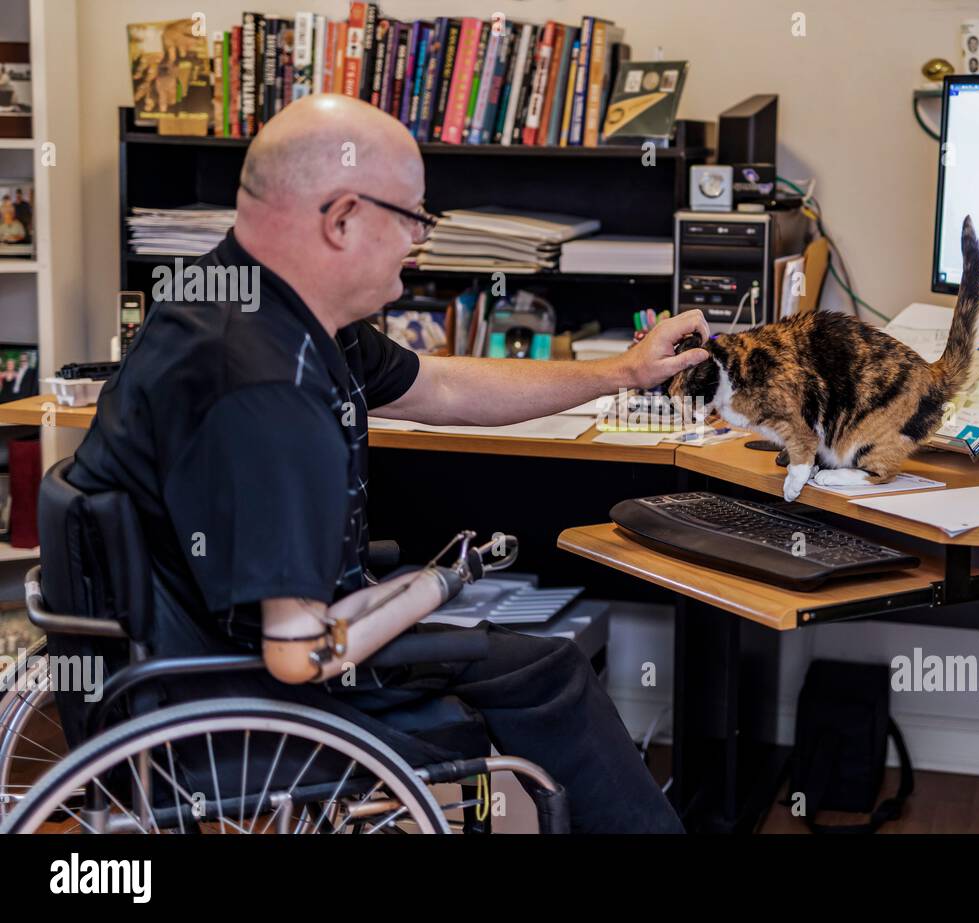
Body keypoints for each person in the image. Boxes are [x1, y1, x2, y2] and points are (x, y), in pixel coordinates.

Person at [69, 93, 711, 833]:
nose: (421, 242)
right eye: (414, 217)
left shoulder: (244, 299)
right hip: (237, 693)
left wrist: (621, 374)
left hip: (185, 652)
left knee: (539, 666)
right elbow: (297, 655)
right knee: (548, 675)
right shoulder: (267, 384)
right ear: (342, 219)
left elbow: (437, 384)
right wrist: (433, 584)